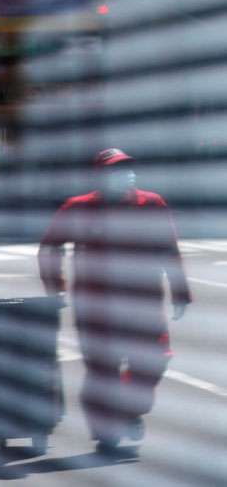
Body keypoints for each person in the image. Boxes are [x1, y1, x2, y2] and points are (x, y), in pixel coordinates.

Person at [38, 148, 192, 453]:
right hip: (96, 305)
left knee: (153, 361)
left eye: (128, 168)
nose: (126, 174)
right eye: (117, 169)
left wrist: (180, 292)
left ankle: (128, 411)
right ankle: (106, 433)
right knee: (102, 371)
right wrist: (56, 287)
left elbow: (169, 249)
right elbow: (49, 247)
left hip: (144, 302)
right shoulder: (78, 207)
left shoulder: (151, 203)